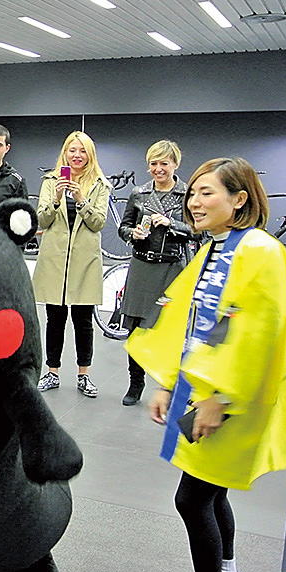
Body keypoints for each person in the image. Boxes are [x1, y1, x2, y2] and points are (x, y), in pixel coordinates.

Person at [127, 157, 286, 572]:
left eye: (207, 193)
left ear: (239, 198)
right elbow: (191, 319)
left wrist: (220, 398)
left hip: (233, 399)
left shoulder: (261, 251)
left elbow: (261, 333)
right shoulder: (217, 247)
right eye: (193, 193)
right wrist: (169, 382)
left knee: (192, 498)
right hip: (209, 393)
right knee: (211, 490)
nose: (194, 202)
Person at [117, 140, 196, 407]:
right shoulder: (138, 194)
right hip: (141, 267)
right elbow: (124, 227)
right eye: (153, 163)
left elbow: (199, 230)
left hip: (172, 268)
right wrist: (133, 233)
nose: (158, 169)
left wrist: (171, 223)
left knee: (171, 330)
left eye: (164, 163)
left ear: (176, 164)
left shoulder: (188, 194)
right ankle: (135, 383)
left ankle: (169, 385)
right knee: (136, 330)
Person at [32, 131, 108, 397]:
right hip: (55, 260)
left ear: (90, 155)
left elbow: (98, 223)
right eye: (72, 150)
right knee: (54, 319)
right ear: (64, 153)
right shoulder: (50, 181)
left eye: (82, 151)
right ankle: (52, 372)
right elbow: (42, 220)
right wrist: (56, 199)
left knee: (83, 321)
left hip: (84, 261)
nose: (77, 155)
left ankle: (84, 375)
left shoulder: (100, 184)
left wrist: (80, 200)